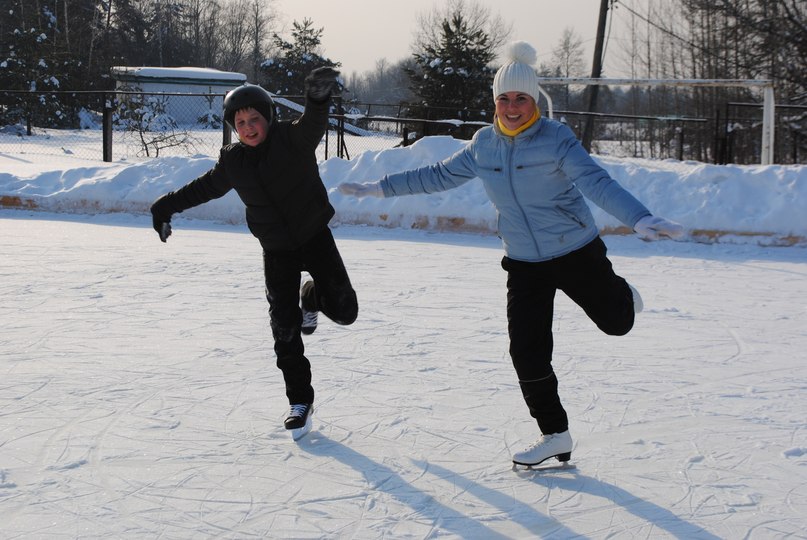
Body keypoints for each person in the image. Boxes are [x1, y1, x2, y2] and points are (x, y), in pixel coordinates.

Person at [338, 42, 683, 466]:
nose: (512, 106)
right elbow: (438, 175)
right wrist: (380, 187)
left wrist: (640, 218)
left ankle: (622, 295)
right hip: (523, 262)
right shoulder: (485, 145)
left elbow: (597, 182)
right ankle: (554, 433)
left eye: (521, 98)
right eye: (504, 98)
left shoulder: (556, 139)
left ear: (534, 99)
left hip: (575, 250)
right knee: (526, 350)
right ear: (495, 101)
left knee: (617, 324)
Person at [150, 67, 358, 440]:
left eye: (254, 119)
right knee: (284, 328)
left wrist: (318, 98)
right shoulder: (234, 161)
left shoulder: (292, 139)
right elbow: (204, 188)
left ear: (269, 118)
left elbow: (313, 122)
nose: (248, 127)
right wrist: (164, 206)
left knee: (346, 311)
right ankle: (299, 400)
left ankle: (311, 295)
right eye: (240, 122)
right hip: (277, 250)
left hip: (314, 236)